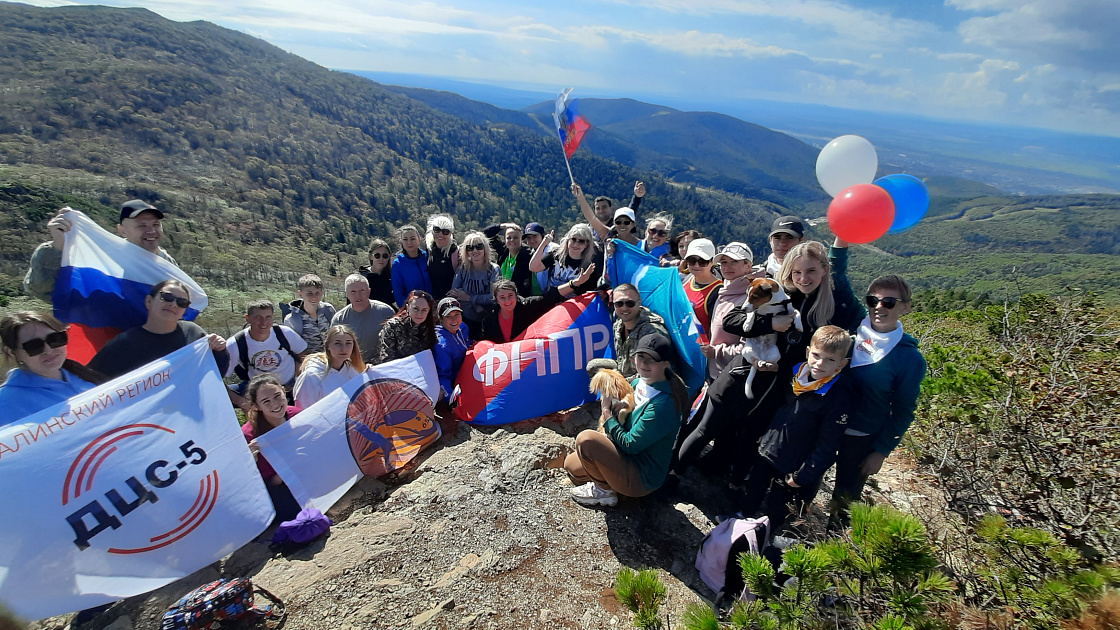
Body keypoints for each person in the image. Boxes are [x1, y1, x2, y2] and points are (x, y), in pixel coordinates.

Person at [675, 239, 863, 479]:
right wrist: (770, 323)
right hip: (744, 371)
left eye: (811, 271)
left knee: (750, 437)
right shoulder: (778, 293)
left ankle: (734, 486)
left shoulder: (835, 304)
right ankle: (679, 475)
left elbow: (858, 333)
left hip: (784, 387)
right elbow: (733, 320)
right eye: (797, 272)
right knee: (712, 428)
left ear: (825, 270)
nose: (803, 278)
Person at [830, 275, 927, 527]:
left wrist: (882, 451)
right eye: (873, 300)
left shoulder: (908, 358)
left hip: (862, 434)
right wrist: (842, 241)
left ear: (906, 307)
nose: (879, 307)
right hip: (828, 421)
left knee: (845, 498)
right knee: (805, 476)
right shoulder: (855, 327)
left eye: (890, 302)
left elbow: (904, 410)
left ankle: (832, 549)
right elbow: (838, 279)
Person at [739, 326, 853, 535]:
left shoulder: (838, 397)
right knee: (753, 491)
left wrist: (803, 475)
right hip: (769, 448)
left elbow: (828, 444)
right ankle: (741, 522)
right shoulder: (796, 373)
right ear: (808, 352)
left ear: (842, 363)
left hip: (794, 465)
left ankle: (765, 543)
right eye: (817, 355)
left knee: (777, 510)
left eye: (830, 360)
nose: (820, 363)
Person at [563, 333, 689, 506]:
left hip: (642, 476)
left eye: (652, 359)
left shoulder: (664, 404)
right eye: (641, 356)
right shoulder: (640, 382)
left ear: (666, 364)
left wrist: (607, 413)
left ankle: (605, 491)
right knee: (571, 465)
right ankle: (612, 483)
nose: (644, 363)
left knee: (586, 439)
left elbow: (631, 444)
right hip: (625, 456)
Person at [24, 200, 178, 304]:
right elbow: (44, 291)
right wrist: (59, 246)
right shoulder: (101, 260)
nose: (151, 231)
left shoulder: (167, 263)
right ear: (122, 231)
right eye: (142, 225)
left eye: (156, 225)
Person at [87, 280, 229, 378]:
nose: (173, 304)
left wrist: (220, 351)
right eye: (167, 297)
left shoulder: (194, 333)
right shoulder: (124, 343)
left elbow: (214, 373)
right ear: (149, 301)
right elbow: (91, 378)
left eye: (181, 302)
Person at [0, 312, 106, 427]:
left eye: (55, 339)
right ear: (12, 352)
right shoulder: (5, 403)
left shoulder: (82, 374)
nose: (48, 350)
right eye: (34, 346)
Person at [226, 300, 309, 410]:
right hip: (257, 390)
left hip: (291, 385)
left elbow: (304, 357)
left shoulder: (284, 333)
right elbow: (217, 379)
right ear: (248, 318)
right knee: (216, 396)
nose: (263, 322)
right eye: (258, 317)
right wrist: (241, 402)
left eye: (268, 317)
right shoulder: (236, 343)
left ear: (273, 317)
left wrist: (300, 378)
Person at [242, 374, 302, 523]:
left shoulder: (296, 414)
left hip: (304, 470)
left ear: (283, 390)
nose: (275, 404)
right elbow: (273, 482)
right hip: (280, 486)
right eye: (266, 401)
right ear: (256, 406)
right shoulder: (250, 435)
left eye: (277, 396)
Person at [480, 272, 592, 343]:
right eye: (502, 297)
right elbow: (487, 345)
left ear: (516, 294)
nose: (507, 301)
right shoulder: (489, 319)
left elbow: (551, 296)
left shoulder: (527, 306)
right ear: (496, 299)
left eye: (510, 296)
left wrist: (574, 283)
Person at [700, 242, 754, 381]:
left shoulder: (751, 297)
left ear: (748, 266)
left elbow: (749, 347)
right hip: (715, 374)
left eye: (734, 261)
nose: (727, 266)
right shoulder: (724, 291)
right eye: (723, 262)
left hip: (735, 377)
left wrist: (716, 352)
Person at [293, 325, 367, 409]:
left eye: (348, 343)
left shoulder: (354, 370)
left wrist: (370, 374)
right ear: (328, 346)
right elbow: (303, 410)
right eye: (337, 343)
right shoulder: (312, 376)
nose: (344, 348)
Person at [331, 274, 395, 364]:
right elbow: (335, 349)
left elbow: (395, 342)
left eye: (362, 291)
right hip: (352, 366)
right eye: (353, 292)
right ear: (347, 294)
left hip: (381, 364)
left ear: (369, 291)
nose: (358, 295)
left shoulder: (385, 312)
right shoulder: (339, 319)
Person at [610, 284, 668, 380]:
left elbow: (655, 373)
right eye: (619, 304)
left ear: (639, 302)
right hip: (626, 375)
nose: (624, 308)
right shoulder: (618, 326)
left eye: (630, 303)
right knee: (594, 366)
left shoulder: (652, 331)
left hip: (648, 383)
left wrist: (619, 385)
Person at [529, 224, 602, 293]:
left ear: (587, 244)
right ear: (568, 240)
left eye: (581, 241)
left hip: (573, 303)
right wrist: (543, 244)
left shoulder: (589, 266)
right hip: (551, 299)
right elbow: (534, 268)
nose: (576, 244)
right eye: (573, 239)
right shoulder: (556, 254)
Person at [571, 181, 645, 242]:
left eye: (604, 207)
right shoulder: (590, 230)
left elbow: (629, 213)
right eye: (598, 208)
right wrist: (580, 196)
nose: (622, 225)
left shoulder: (640, 245)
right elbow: (589, 215)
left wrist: (637, 197)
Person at [378, 290, 436, 363]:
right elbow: (387, 357)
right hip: (398, 370)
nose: (419, 314)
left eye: (424, 310)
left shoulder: (429, 327)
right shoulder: (393, 326)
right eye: (416, 309)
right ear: (407, 307)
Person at [284, 274, 336, 354]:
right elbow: (291, 346)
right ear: (300, 293)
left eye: (317, 293)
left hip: (331, 360)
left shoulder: (328, 310)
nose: (314, 297)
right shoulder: (292, 319)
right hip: (307, 363)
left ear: (322, 293)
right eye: (309, 294)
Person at [682, 238, 721, 344]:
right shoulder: (686, 280)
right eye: (692, 261)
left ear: (712, 262)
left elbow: (716, 329)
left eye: (702, 261)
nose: (696, 265)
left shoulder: (718, 291)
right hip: (682, 344)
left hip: (701, 351)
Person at [433, 297, 470, 404]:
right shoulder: (442, 345)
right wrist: (451, 398)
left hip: (467, 373)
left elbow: (466, 343)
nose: (454, 320)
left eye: (457, 315)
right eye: (448, 316)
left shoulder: (463, 328)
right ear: (441, 318)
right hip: (456, 382)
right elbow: (443, 376)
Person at [484, 223, 537, 297]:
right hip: (502, 297)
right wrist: (504, 226)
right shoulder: (503, 251)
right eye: (508, 238)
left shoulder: (528, 255)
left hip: (521, 299)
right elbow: (486, 234)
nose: (512, 240)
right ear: (505, 239)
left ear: (521, 239)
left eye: (516, 237)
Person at [391, 224, 432, 305]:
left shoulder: (428, 257)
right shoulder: (398, 264)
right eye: (405, 239)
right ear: (401, 242)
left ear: (419, 240)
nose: (409, 242)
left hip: (434, 306)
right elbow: (398, 292)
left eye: (413, 238)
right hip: (414, 310)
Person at [426, 214, 459, 301]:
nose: (440, 234)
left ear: (450, 233)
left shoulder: (455, 252)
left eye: (445, 231)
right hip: (431, 299)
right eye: (437, 230)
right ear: (432, 231)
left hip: (451, 301)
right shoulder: (428, 250)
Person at [360, 238, 397, 309]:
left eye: (385, 256)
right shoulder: (362, 278)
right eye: (377, 255)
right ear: (370, 256)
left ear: (389, 257)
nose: (381, 259)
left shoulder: (392, 277)